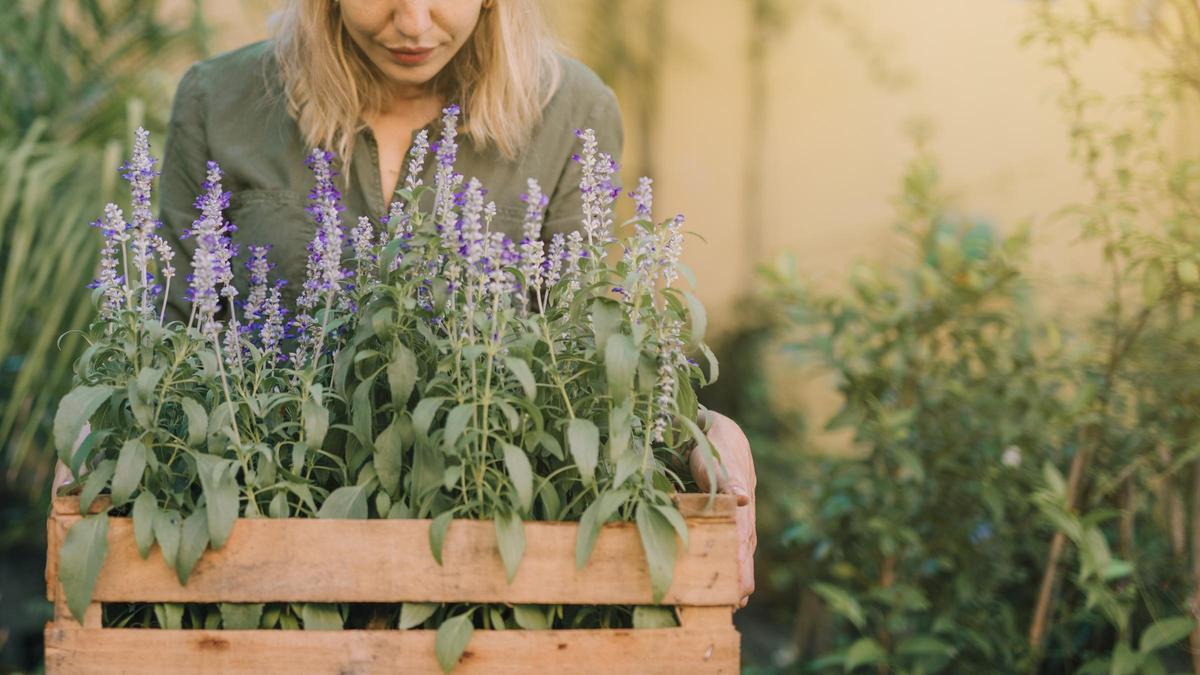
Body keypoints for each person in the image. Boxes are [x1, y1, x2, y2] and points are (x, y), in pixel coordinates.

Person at [151, 0, 757, 608]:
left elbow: (585, 353)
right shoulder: (220, 99)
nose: (414, 24)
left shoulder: (570, 108)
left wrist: (701, 430)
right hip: (261, 559)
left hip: (482, 566)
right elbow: (169, 335)